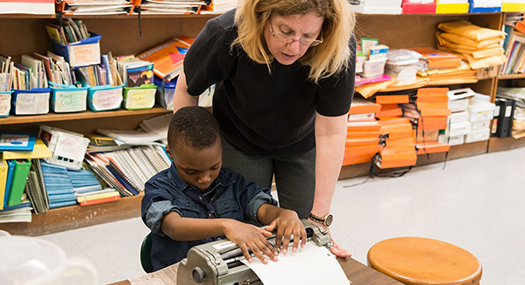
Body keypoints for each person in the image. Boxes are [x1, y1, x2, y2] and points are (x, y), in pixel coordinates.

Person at [173, 0, 356, 257]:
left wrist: (320, 219)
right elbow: (187, 88)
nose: (295, 47)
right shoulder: (226, 32)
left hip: (302, 142)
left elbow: (332, 130)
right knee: (243, 235)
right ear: (263, 15)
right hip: (238, 137)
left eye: (308, 36)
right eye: (285, 31)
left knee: (305, 236)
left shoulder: (337, 44)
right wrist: (186, 163)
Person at [142, 106, 307, 271]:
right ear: (170, 154)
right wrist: (226, 225)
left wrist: (283, 214)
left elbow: (260, 208)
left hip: (230, 273)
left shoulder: (233, 182)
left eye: (214, 167)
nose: (205, 178)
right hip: (180, 277)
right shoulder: (158, 188)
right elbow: (173, 226)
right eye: (191, 171)